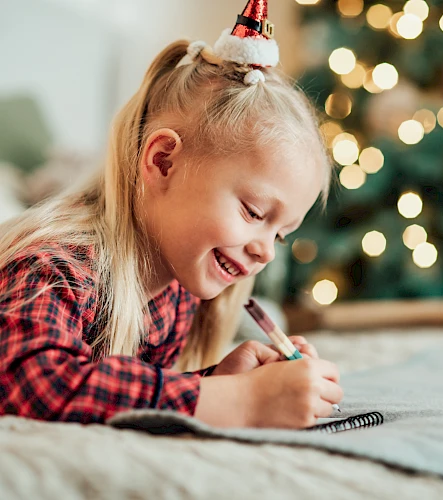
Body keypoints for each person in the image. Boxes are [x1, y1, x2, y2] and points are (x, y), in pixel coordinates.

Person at [0, 0, 343, 428]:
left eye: (280, 235)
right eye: (254, 212)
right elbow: (35, 386)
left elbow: (120, 391)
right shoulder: (55, 267)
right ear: (163, 161)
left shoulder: (173, 295)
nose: (266, 254)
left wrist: (217, 381)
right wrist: (239, 403)